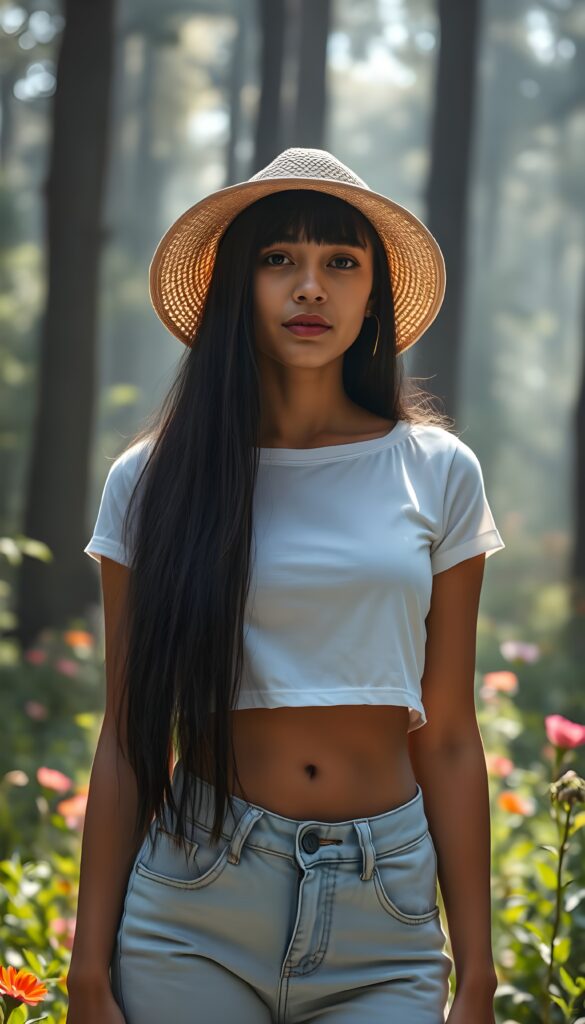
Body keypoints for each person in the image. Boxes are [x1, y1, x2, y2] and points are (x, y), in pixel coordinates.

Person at [67, 148, 505, 1024]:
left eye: (340, 263)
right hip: (195, 905)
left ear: (373, 292)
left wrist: (479, 976)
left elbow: (450, 735)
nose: (311, 288)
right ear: (239, 285)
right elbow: (128, 736)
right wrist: (87, 973)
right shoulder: (153, 481)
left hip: (382, 919)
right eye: (280, 261)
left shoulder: (437, 471)